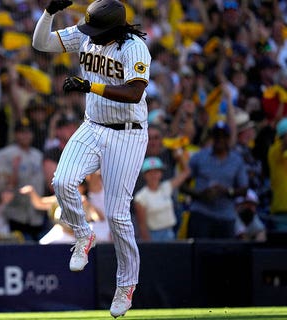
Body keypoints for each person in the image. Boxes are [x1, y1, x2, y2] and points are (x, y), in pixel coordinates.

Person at [32, 0, 151, 317]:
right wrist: (49, 13)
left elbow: (134, 93)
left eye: (97, 30)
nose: (91, 34)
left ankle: (126, 286)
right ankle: (83, 234)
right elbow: (41, 43)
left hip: (128, 133)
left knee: (117, 216)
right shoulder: (86, 36)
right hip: (93, 125)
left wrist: (90, 85)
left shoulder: (134, 47)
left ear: (114, 28)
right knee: (62, 181)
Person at [182, 121, 248, 239]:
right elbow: (183, 185)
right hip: (201, 213)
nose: (220, 139)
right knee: (197, 254)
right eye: (217, 136)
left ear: (228, 138)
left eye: (223, 136)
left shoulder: (237, 160)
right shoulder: (199, 156)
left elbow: (244, 189)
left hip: (226, 215)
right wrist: (200, 194)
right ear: (212, 137)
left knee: (225, 255)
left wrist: (227, 191)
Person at [134, 156, 190, 242]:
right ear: (144, 175)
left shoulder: (166, 187)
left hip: (171, 232)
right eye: (150, 172)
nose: (154, 175)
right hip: (154, 236)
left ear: (161, 173)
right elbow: (142, 226)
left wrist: (179, 155)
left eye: (156, 171)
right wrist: (148, 245)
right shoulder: (140, 197)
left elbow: (186, 172)